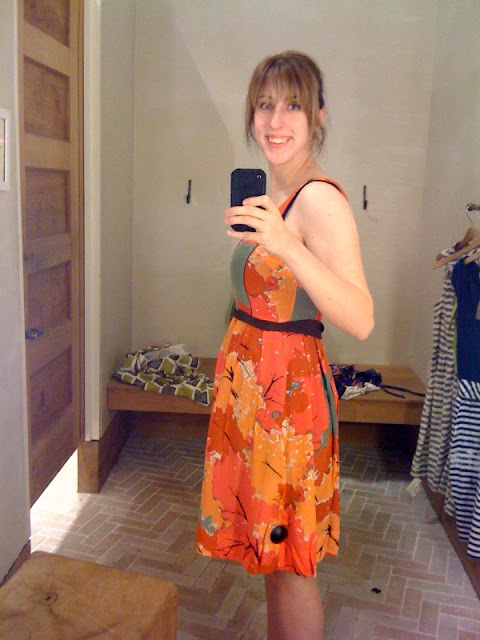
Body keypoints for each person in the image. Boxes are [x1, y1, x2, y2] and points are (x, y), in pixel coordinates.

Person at [196, 50, 374, 640]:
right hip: (259, 397)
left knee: (291, 563)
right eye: (265, 105)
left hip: (288, 409)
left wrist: (286, 245)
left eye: (293, 105)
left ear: (318, 116)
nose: (275, 120)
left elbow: (361, 316)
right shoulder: (281, 197)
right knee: (273, 559)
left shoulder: (320, 199)